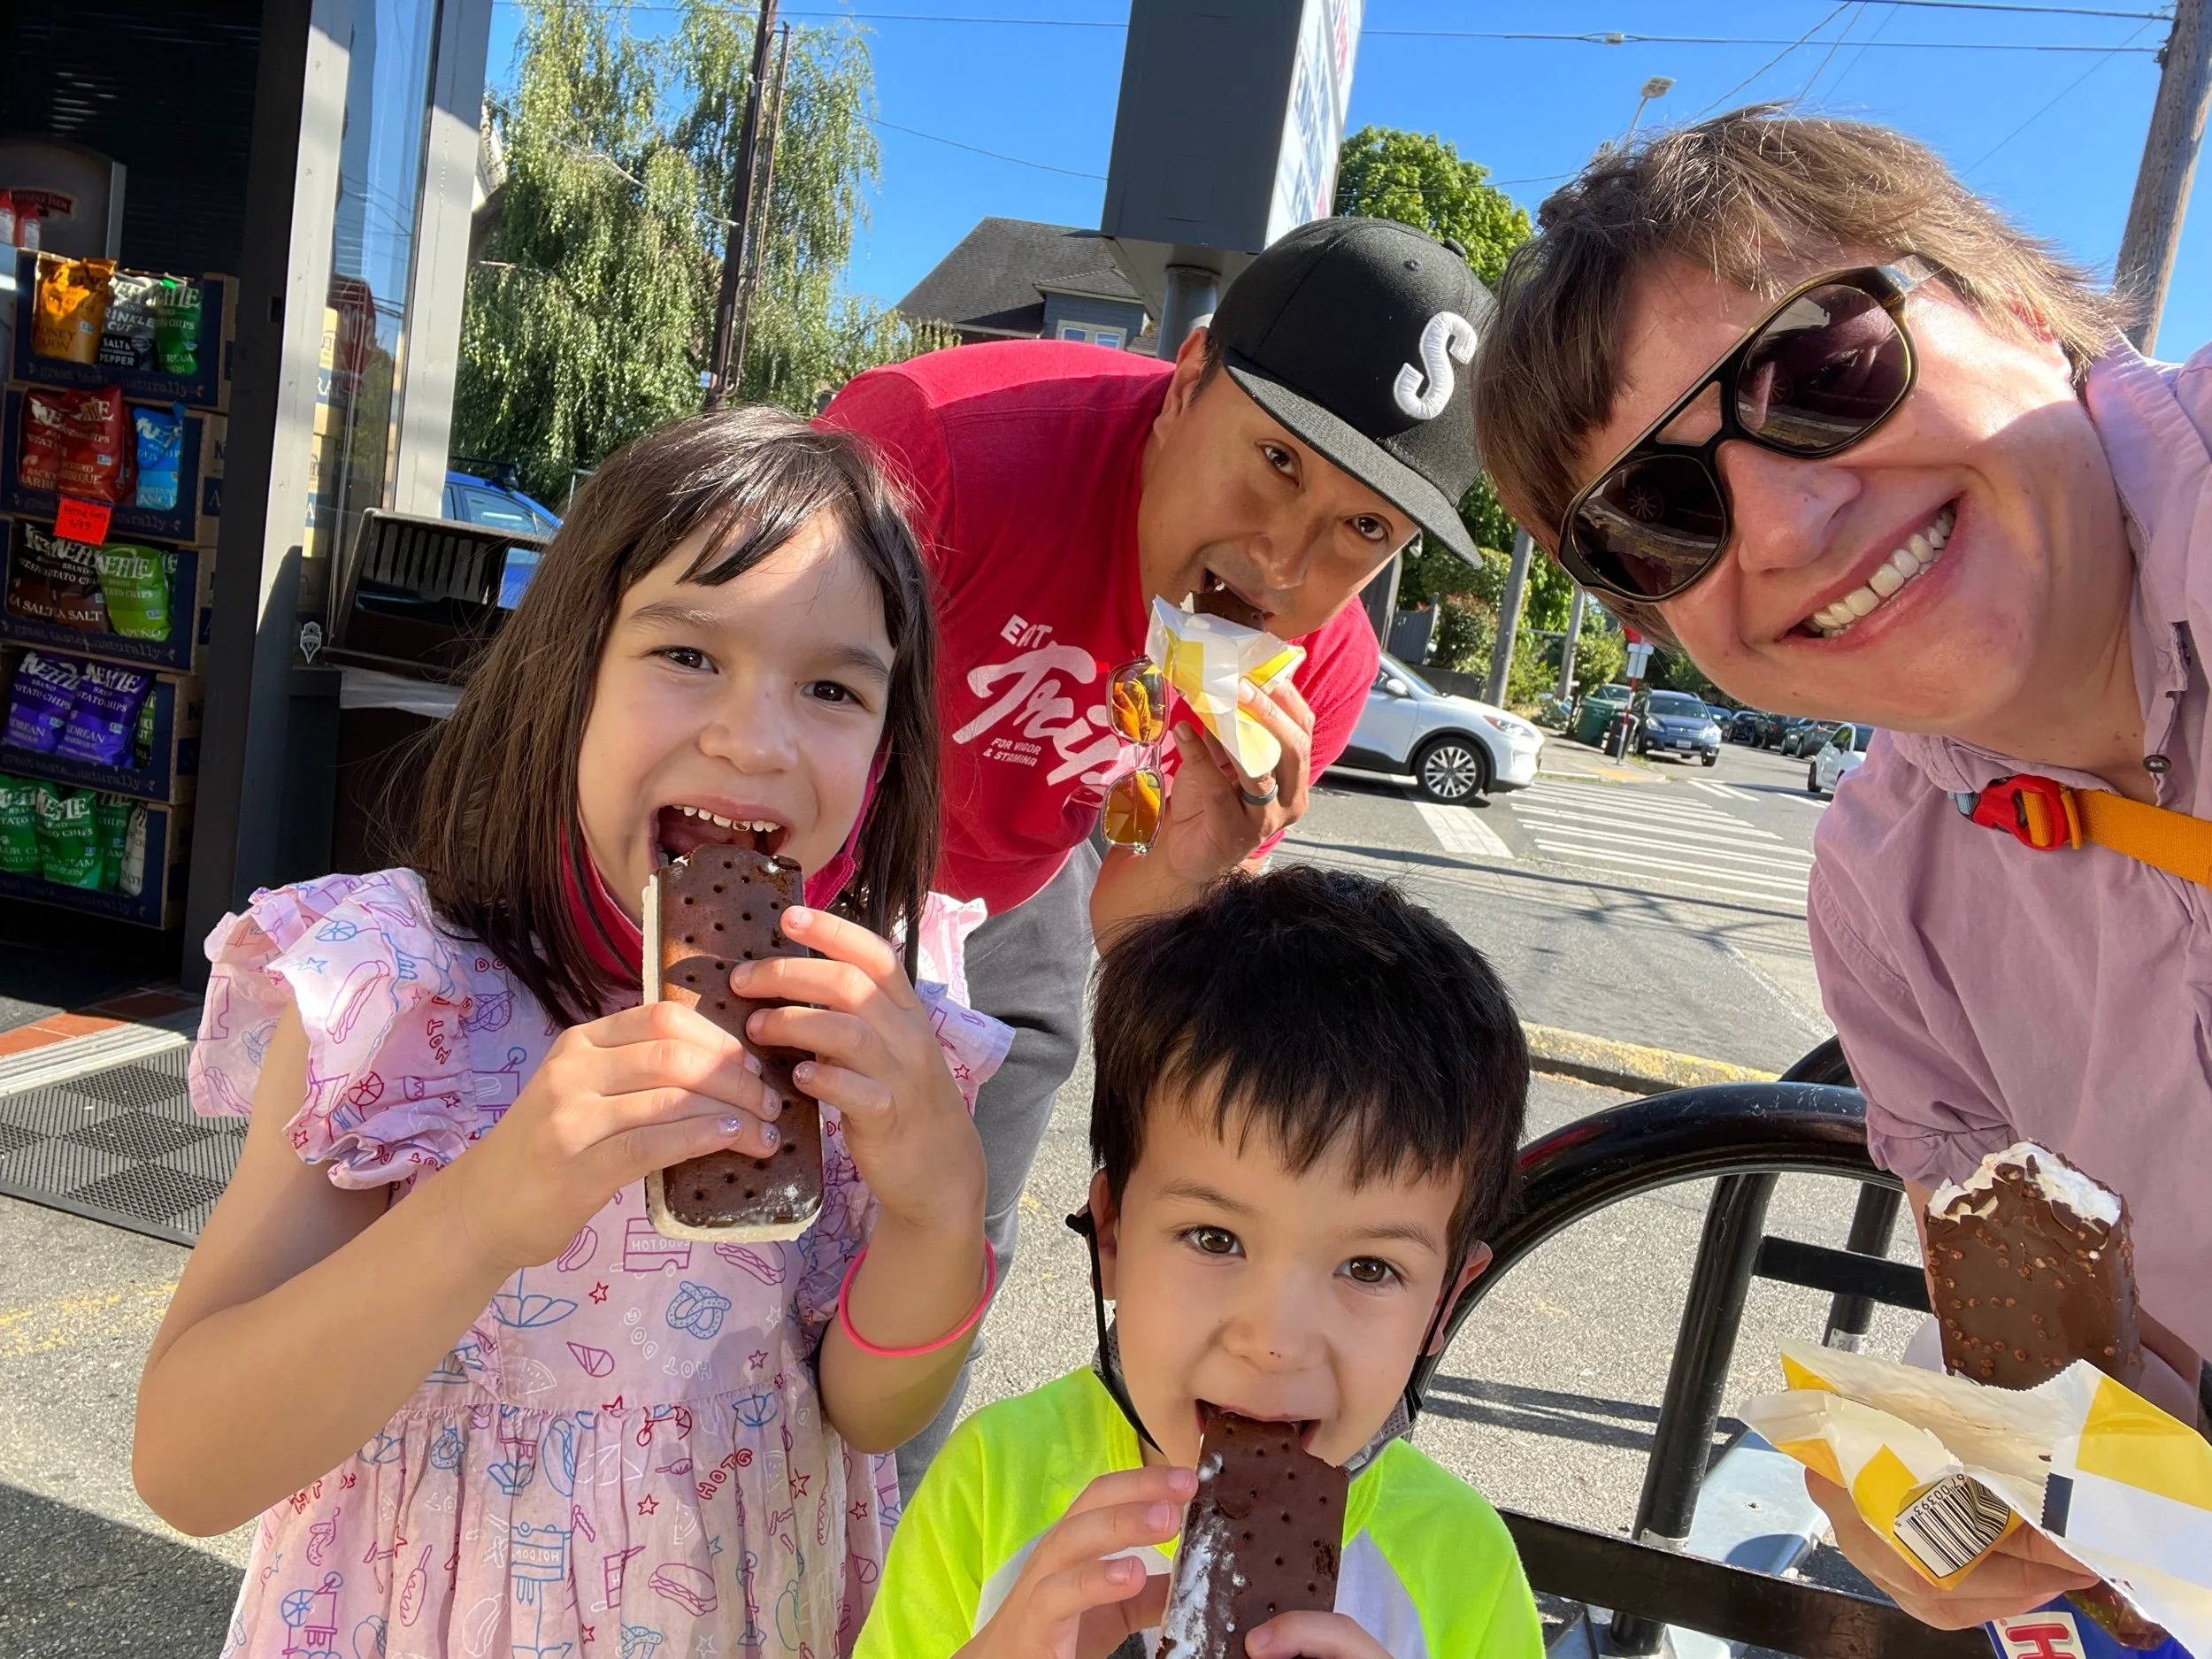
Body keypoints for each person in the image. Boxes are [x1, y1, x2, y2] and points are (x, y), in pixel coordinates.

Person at [1471, 107, 2210, 1626]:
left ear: (2002, 298)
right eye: (1660, 523)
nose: (1789, 524)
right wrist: (1958, 1492)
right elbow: (2065, 1370)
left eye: (1821, 370)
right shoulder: (1887, 902)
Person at [133, 410, 1012, 1657]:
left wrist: (935, 1202)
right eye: (688, 652)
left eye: (831, 686)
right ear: (570, 675)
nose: (754, 739)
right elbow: (186, 1461)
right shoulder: (404, 993)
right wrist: (484, 1208)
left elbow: (868, 1411)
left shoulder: (869, 1015)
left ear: (884, 749)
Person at [819, 217, 1496, 1487]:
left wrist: (1196, 863)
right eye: (1278, 460)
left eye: (1366, 531)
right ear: (1188, 381)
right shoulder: (936, 453)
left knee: (941, 1270)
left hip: (1018, 904)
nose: (1288, 561)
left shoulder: (1324, 666)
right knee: (721, 1252)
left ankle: (868, 1580)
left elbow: (1125, 935)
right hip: (825, 851)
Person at [855, 865, 1541, 1658]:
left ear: (1445, 1305)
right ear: (1110, 1238)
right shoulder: (993, 1485)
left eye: (1369, 1267)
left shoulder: (1461, 1566)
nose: (1275, 1339)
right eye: (1215, 1238)